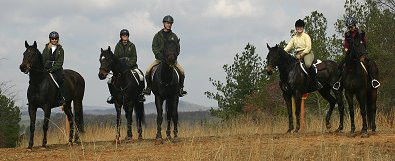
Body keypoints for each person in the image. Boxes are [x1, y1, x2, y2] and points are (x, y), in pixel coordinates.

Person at [143, 15, 187, 97]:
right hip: (160, 59)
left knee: (182, 71)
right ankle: (148, 88)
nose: (169, 25)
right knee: (148, 71)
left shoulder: (174, 36)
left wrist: (174, 56)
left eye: (170, 23)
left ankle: (180, 89)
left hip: (171, 60)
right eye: (167, 23)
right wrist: (159, 55)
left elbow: (178, 49)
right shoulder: (157, 35)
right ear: (164, 23)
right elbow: (154, 47)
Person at [333, 17, 380, 89]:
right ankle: (338, 82)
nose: (350, 28)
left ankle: (373, 80)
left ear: (355, 25)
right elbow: (346, 43)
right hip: (351, 54)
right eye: (349, 27)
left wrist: (363, 51)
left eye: (351, 26)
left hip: (361, 53)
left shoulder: (360, 33)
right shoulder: (347, 34)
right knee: (341, 65)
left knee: (370, 63)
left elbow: (364, 42)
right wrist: (346, 48)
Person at [107, 29, 146, 104]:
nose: (125, 37)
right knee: (109, 80)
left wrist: (128, 65)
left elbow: (134, 57)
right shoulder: (117, 46)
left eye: (126, 35)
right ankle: (112, 96)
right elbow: (116, 58)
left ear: (128, 36)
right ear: (121, 36)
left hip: (131, 67)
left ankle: (141, 94)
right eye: (123, 35)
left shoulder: (132, 45)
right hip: (120, 69)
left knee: (141, 76)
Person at [284, 19, 323, 89]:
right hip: (297, 55)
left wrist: (302, 55)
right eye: (298, 27)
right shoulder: (294, 38)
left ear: (303, 28)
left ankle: (316, 82)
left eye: (301, 27)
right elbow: (288, 47)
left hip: (307, 53)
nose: (299, 28)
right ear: (296, 28)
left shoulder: (306, 36)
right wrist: (282, 52)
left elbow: (308, 47)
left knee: (307, 64)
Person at [42, 31, 66, 105]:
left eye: (55, 39)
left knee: (59, 80)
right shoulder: (46, 49)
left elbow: (60, 62)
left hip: (57, 69)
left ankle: (61, 98)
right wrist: (43, 68)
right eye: (52, 39)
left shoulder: (61, 50)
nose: (54, 40)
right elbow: (43, 59)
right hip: (46, 68)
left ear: (57, 39)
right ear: (50, 39)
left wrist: (52, 69)